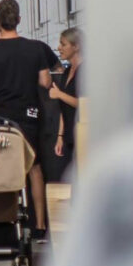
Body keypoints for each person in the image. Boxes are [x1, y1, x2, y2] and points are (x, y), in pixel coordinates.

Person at [0, 0, 55, 240]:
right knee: (34, 168)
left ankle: (6, 224)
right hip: (29, 114)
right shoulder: (35, 48)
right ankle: (39, 226)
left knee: (2, 167)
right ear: (19, 19)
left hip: (1, 116)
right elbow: (45, 81)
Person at [50, 27, 83, 168]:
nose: (59, 48)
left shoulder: (86, 70)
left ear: (76, 47)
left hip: (83, 134)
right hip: (69, 135)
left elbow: (84, 104)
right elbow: (63, 108)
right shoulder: (67, 71)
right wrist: (60, 136)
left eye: (63, 44)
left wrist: (59, 94)